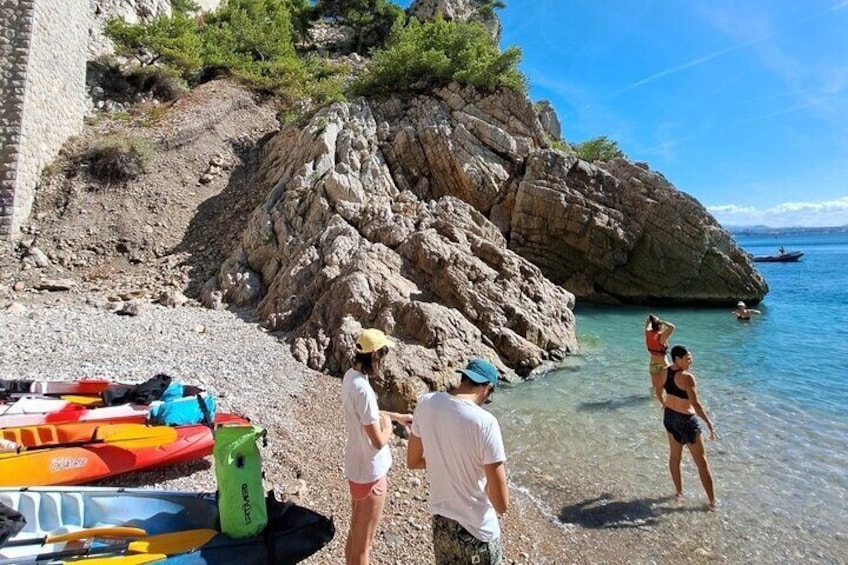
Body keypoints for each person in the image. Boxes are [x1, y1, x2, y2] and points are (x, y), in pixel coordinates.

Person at [407, 358, 509, 565]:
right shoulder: (485, 422)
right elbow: (501, 504)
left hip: (443, 527)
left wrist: (444, 460)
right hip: (478, 533)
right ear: (487, 388)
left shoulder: (426, 403)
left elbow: (413, 460)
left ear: (464, 379)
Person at [342, 328, 413, 565]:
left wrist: (396, 416)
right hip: (371, 473)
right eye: (383, 354)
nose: (384, 359)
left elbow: (367, 416)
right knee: (365, 545)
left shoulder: (350, 377)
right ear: (374, 356)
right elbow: (378, 440)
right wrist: (390, 429)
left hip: (356, 468)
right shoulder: (364, 390)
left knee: (355, 536)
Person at [653, 345, 717, 509]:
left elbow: (658, 390)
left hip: (669, 417)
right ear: (677, 359)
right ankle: (712, 502)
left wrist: (664, 404)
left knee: (675, 457)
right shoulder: (687, 377)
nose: (691, 360)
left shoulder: (664, 371)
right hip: (686, 420)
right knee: (701, 462)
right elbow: (696, 404)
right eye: (688, 358)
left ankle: (679, 492)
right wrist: (709, 423)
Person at [645, 314, 675, 389]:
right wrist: (661, 321)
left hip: (653, 364)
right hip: (663, 365)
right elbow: (672, 327)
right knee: (668, 387)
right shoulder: (661, 337)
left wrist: (652, 321)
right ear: (659, 325)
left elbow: (647, 323)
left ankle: (653, 400)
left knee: (655, 388)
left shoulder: (647, 333)